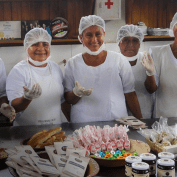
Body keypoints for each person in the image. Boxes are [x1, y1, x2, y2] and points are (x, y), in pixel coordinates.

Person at [64, 15, 142, 123]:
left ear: (104, 35)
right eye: (89, 35)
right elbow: (68, 99)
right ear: (81, 38)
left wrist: (141, 123)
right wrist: (76, 93)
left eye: (98, 34)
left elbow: (130, 94)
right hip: (82, 124)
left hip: (116, 123)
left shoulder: (119, 60)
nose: (94, 39)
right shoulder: (72, 64)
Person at [6, 28, 69, 126]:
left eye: (45, 44)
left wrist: (72, 125)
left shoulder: (55, 68)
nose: (41, 48)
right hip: (26, 133)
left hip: (55, 131)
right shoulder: (18, 71)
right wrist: (26, 98)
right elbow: (14, 108)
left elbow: (62, 101)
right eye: (35, 44)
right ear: (27, 47)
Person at [117, 24, 157, 118]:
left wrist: (150, 73)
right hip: (121, 116)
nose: (130, 45)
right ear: (119, 43)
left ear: (139, 44)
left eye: (135, 40)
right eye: (126, 40)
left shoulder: (146, 59)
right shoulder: (113, 61)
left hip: (145, 113)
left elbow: (151, 90)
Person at [149, 12, 177, 118]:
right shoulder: (157, 53)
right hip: (163, 123)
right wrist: (149, 72)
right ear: (172, 28)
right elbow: (151, 89)